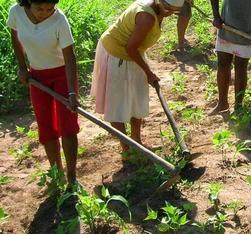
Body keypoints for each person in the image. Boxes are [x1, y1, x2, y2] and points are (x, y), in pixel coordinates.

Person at [91, 0, 184, 153]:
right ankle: (127, 148)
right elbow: (130, 48)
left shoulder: (157, 8)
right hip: (116, 53)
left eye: (174, 10)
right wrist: (148, 72)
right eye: (167, 8)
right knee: (116, 103)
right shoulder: (146, 17)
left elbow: (135, 48)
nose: (169, 12)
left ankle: (136, 141)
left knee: (137, 97)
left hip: (134, 53)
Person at [8, 0, 79, 186]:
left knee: (68, 127)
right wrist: (23, 68)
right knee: (46, 128)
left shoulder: (59, 20)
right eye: (40, 8)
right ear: (28, 2)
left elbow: (70, 57)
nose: (45, 13)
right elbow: (15, 39)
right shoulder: (16, 13)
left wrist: (72, 92)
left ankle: (72, 177)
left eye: (50, 8)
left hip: (63, 76)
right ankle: (58, 173)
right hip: (37, 77)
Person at [209, 0, 251, 115]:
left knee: (240, 68)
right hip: (226, 28)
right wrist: (216, 16)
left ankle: (238, 107)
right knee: (223, 64)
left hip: (248, 33)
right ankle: (222, 103)